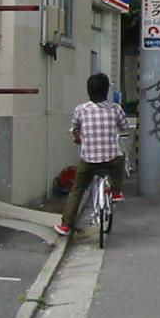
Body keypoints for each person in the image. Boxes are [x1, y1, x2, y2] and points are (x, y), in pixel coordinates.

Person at [55, 73, 130, 237]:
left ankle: (66, 225)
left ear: (88, 90)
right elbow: (125, 127)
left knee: (78, 189)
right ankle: (116, 191)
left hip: (89, 159)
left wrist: (77, 138)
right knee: (121, 157)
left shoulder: (81, 109)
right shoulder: (115, 108)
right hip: (111, 158)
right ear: (106, 91)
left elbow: (75, 129)